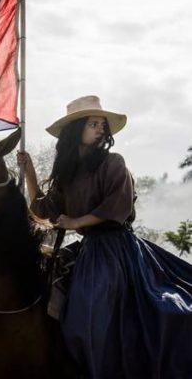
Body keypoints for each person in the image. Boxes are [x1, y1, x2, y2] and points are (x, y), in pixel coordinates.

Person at [17, 95, 192, 378]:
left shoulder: (113, 163)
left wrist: (76, 222)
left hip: (116, 248)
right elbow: (44, 210)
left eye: (102, 125)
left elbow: (118, 207)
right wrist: (30, 175)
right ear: (77, 130)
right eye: (93, 124)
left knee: (94, 312)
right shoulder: (67, 174)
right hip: (89, 250)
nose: (100, 129)